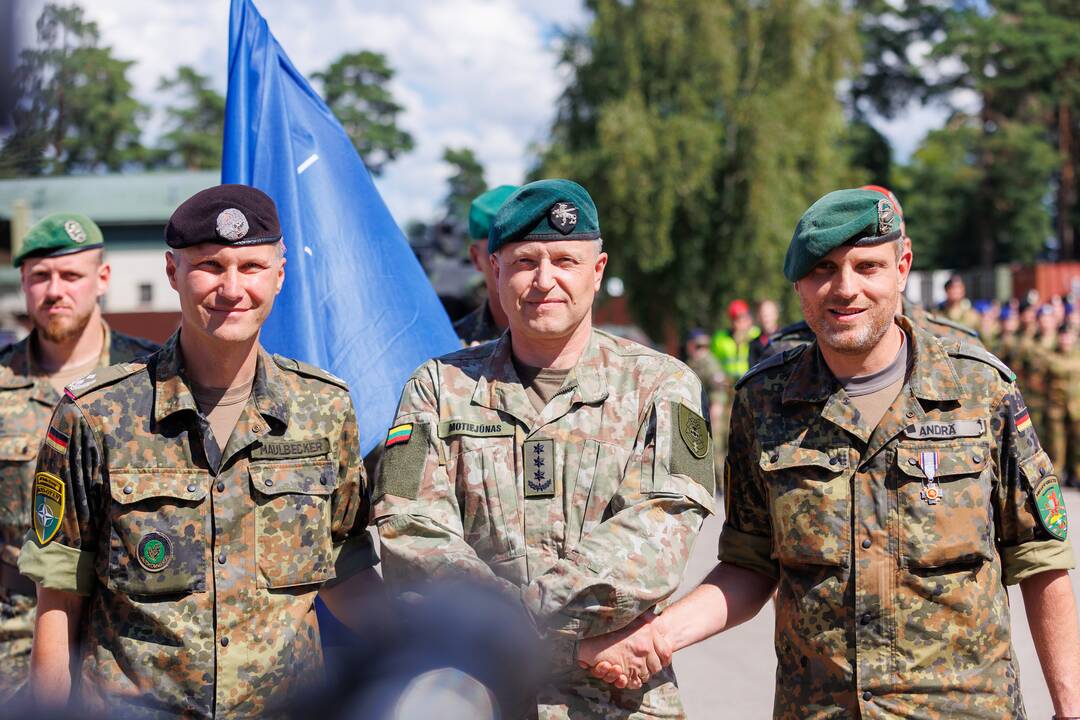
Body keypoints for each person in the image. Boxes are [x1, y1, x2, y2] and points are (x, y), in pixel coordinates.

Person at [579, 188, 1080, 719]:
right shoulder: (765, 402)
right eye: (822, 270)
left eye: (868, 267)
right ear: (799, 285)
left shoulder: (981, 390)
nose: (845, 289)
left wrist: (1070, 709)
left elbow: (1039, 560)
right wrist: (657, 636)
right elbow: (749, 565)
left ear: (902, 265)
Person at [18, 185, 380, 716]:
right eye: (210, 266)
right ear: (173, 273)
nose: (232, 288)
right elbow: (59, 593)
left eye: (251, 266)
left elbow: (344, 566)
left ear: (279, 274)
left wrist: (434, 650)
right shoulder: (95, 415)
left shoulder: (324, 409)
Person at [373, 179, 715, 718]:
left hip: (616, 703)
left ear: (597, 271)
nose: (544, 280)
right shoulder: (437, 388)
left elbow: (659, 533)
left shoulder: (662, 386)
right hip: (475, 694)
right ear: (495, 268)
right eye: (526, 261)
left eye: (565, 260)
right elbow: (409, 531)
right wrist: (571, 645)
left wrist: (507, 623)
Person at [0, 213, 158, 698]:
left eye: (70, 275)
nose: (55, 290)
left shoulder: (152, 376)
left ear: (102, 279)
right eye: (40, 276)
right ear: (23, 283)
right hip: (15, 638)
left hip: (126, 638)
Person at [453, 185, 518, 346]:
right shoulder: (451, 345)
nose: (509, 263)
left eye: (525, 257)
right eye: (496, 254)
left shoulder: (575, 339)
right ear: (476, 258)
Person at [711, 299, 760, 382]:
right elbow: (713, 362)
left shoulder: (756, 334)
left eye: (743, 318)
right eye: (736, 319)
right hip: (727, 385)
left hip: (750, 381)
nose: (740, 323)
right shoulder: (720, 338)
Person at [747, 300, 780, 367]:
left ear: (776, 314)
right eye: (763, 313)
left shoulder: (788, 338)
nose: (766, 317)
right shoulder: (754, 344)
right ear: (758, 316)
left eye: (769, 313)